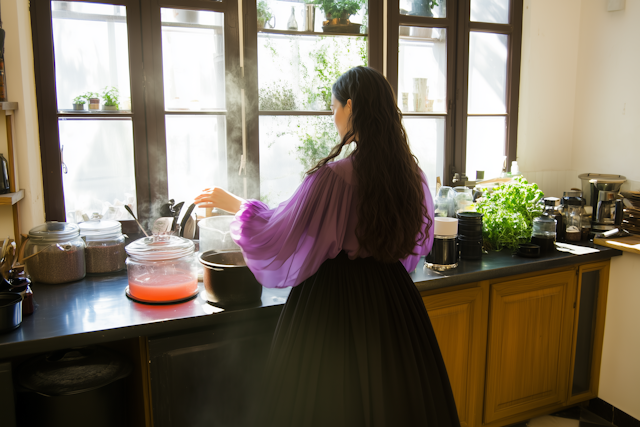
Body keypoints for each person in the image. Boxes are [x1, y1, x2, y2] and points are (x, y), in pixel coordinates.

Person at [195, 66, 460, 427]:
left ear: (350, 107)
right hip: (394, 301)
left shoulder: (333, 178)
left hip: (331, 304)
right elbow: (416, 247)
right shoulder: (413, 176)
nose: (333, 117)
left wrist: (236, 205)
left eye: (334, 109)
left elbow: (280, 230)